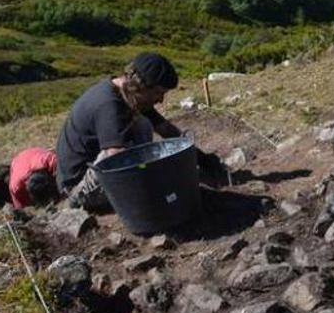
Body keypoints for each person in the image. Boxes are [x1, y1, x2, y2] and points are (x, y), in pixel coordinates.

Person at [55, 52, 222, 210]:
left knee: (143, 124)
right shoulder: (109, 105)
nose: (161, 100)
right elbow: (115, 158)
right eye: (158, 92)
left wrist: (200, 158)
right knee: (131, 142)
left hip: (95, 166)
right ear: (140, 85)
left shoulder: (129, 94)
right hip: (79, 187)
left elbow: (164, 128)